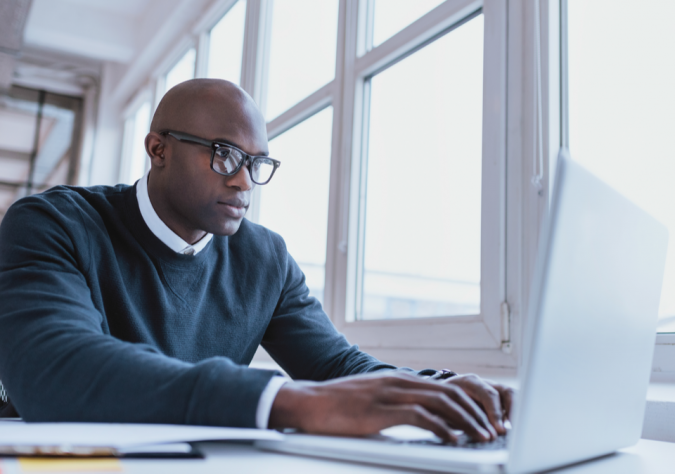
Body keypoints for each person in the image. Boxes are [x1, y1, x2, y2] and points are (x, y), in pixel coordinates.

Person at [0, 79, 513, 444]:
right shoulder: (53, 223)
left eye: (258, 163)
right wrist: (285, 401)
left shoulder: (264, 257)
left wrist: (435, 389)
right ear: (158, 150)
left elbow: (336, 366)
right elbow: (54, 370)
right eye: (224, 154)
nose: (244, 181)